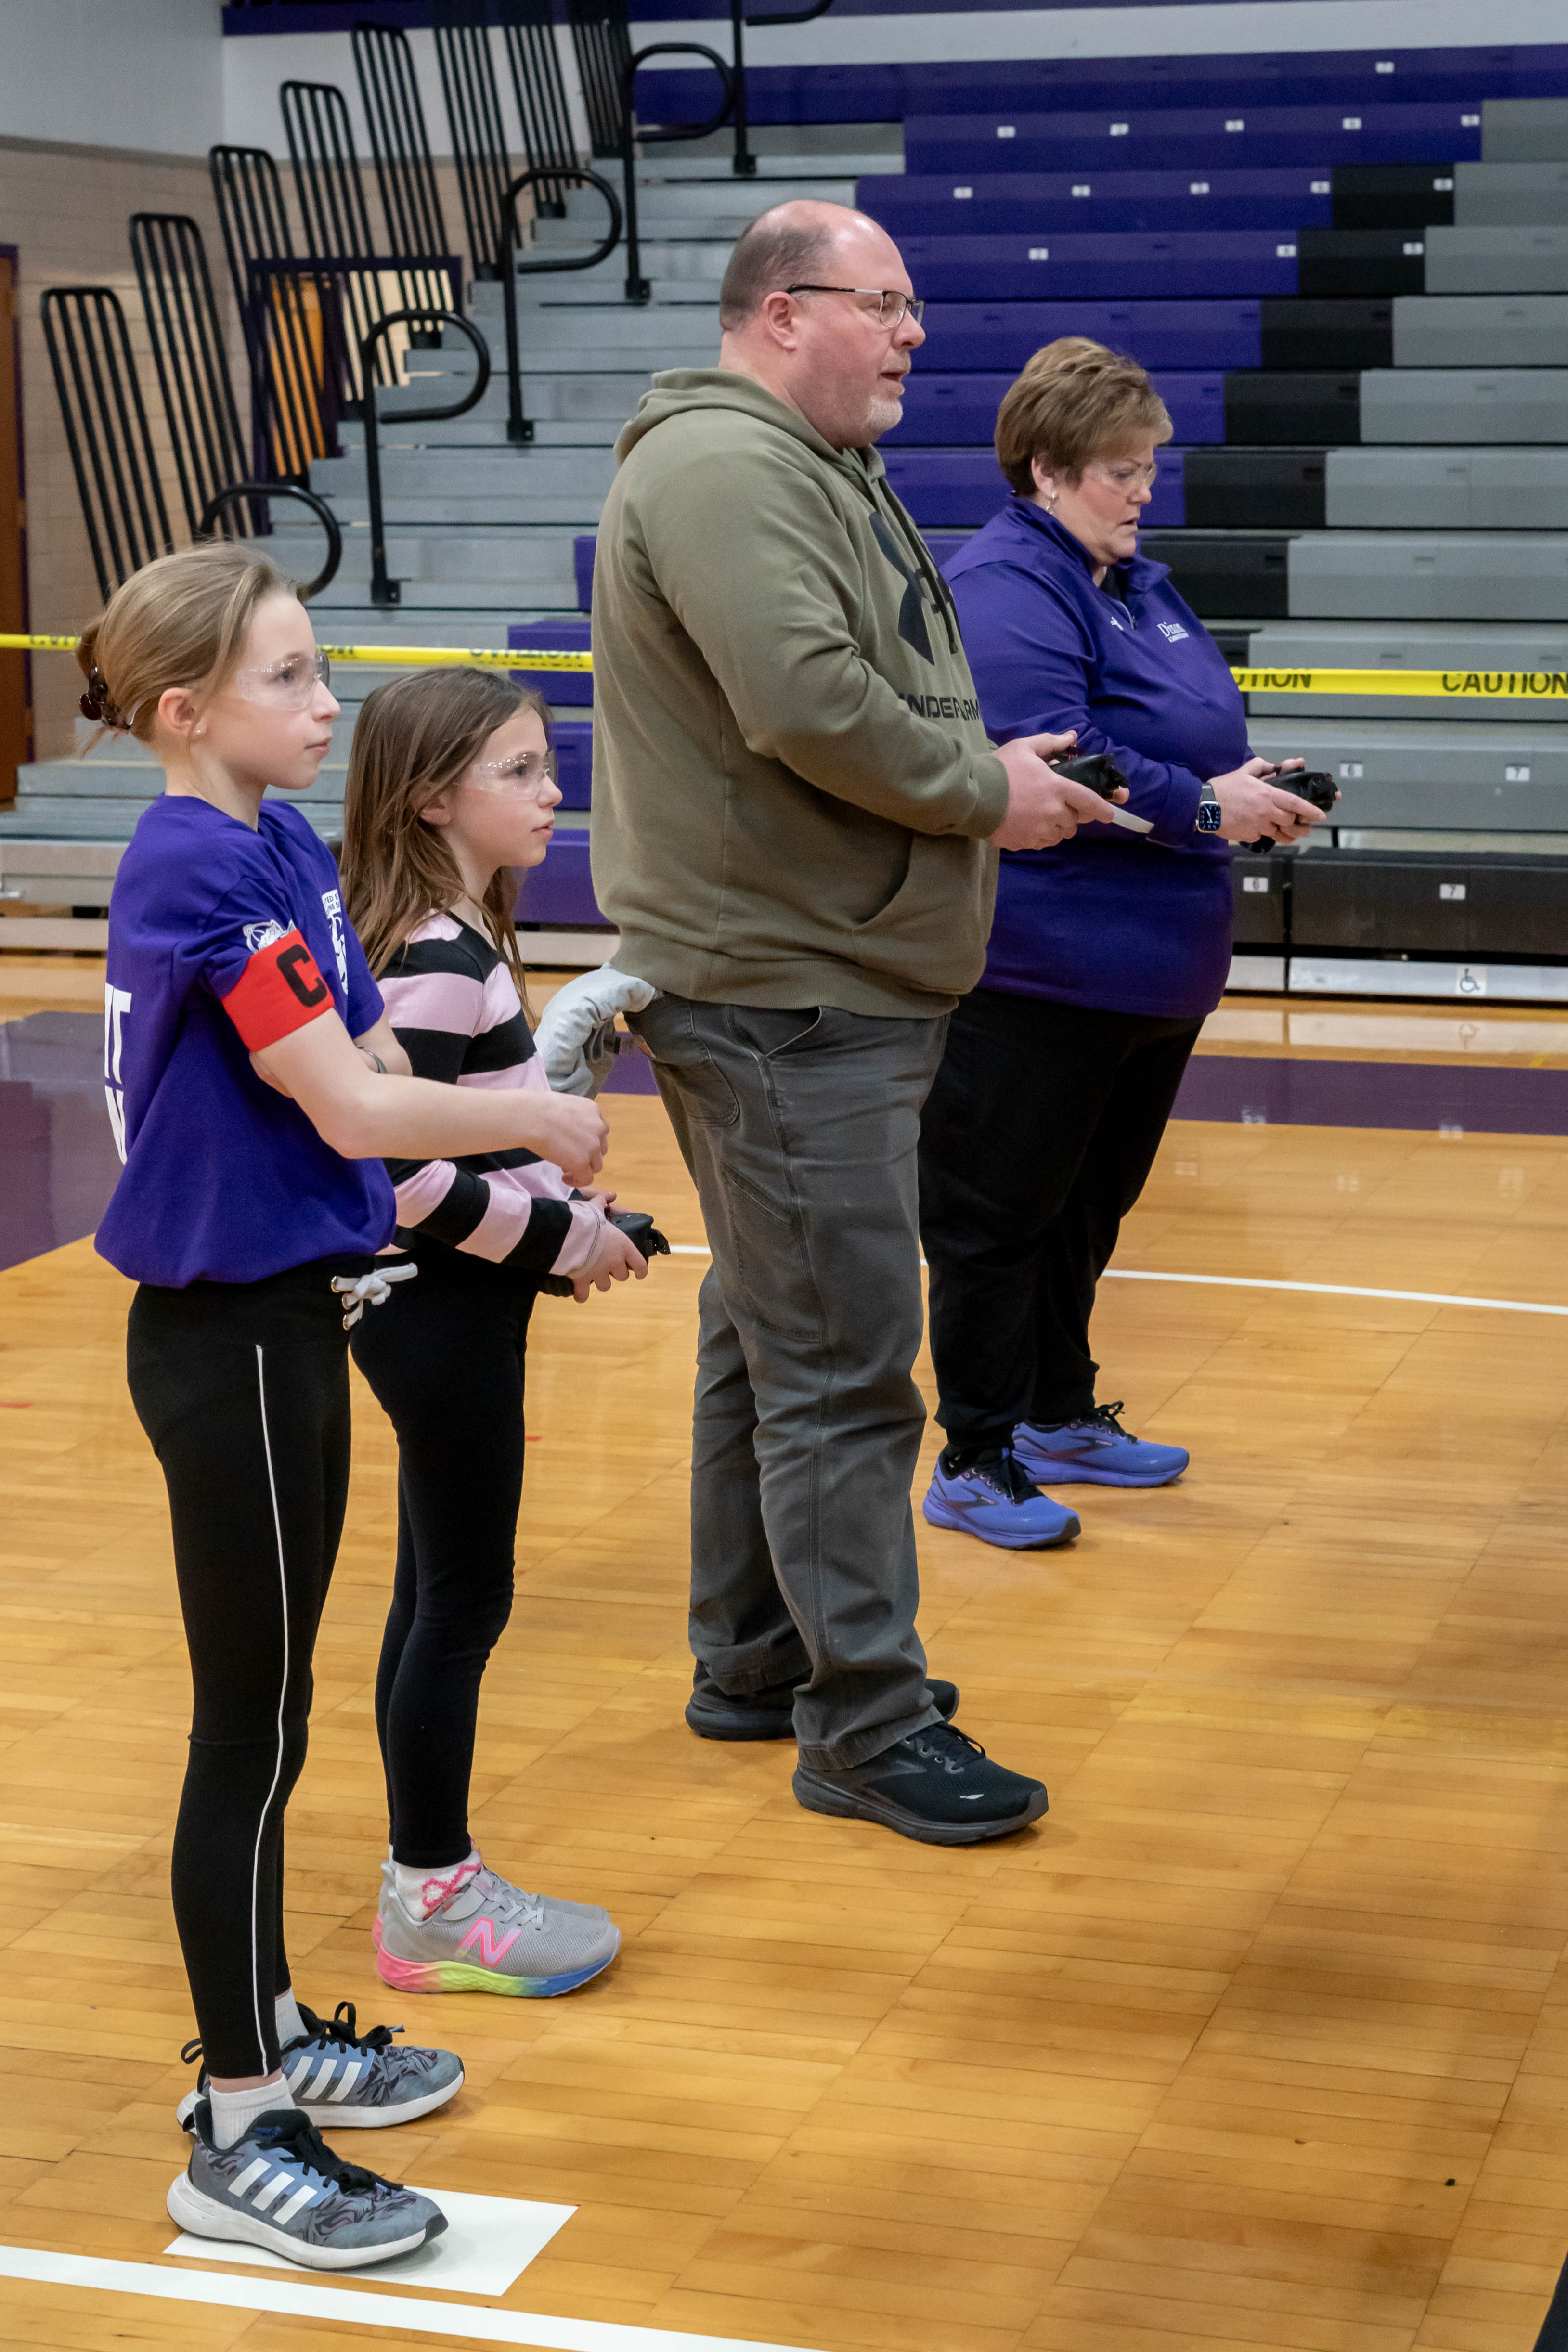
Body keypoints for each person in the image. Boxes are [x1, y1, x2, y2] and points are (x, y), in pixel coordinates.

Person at [89, 545, 607, 2268]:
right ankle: (238, 2124)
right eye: (291, 677)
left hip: (290, 1323)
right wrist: (534, 1126)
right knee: (246, 1728)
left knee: (284, 1708)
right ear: (188, 711)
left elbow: (386, 1067)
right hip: (223, 1336)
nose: (328, 704)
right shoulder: (195, 869)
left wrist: (511, 1089)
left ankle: (274, 2024)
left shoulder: (281, 845)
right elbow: (352, 1114)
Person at [590, 199, 1125, 1848]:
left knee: (768, 1341)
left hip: (806, 977)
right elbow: (809, 701)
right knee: (836, 1371)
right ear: (779, 311)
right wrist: (989, 792)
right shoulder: (725, 470)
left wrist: (981, 773)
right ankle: (862, 1720)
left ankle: (759, 1655)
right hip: (785, 993)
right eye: (882, 304)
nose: (910, 334)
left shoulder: (797, 466)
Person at [919, 338, 1327, 1549]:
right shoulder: (1007, 584)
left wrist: (1240, 778)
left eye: (1149, 465)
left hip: (1155, 970)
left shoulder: (1133, 578)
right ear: (1044, 469)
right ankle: (977, 1453)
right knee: (998, 1223)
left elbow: (1188, 726)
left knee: (1085, 1212)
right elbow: (1063, 754)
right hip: (1044, 973)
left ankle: (1053, 1412)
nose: (1142, 489)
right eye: (1116, 469)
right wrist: (1209, 806)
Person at [337, 668, 640, 1999]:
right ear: (430, 795)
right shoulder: (439, 959)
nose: (552, 791)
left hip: (462, 1301)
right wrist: (567, 1239)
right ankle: (432, 1892)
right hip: (437, 1310)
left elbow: (483, 1132)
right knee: (462, 1597)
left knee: (438, 1590)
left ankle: (429, 1874)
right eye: (519, 770)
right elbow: (400, 1175)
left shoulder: (457, 931)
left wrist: (569, 1205)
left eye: (547, 764)